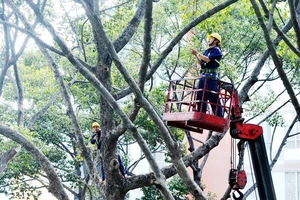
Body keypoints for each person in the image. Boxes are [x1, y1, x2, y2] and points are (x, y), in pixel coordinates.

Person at [190, 32, 223, 118]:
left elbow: (208, 59)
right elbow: (201, 63)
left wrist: (198, 53)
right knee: (200, 95)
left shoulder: (216, 50)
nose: (209, 39)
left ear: (216, 41)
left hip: (211, 77)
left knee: (212, 96)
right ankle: (201, 113)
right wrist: (196, 55)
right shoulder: (207, 51)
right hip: (204, 76)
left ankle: (219, 116)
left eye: (211, 38)